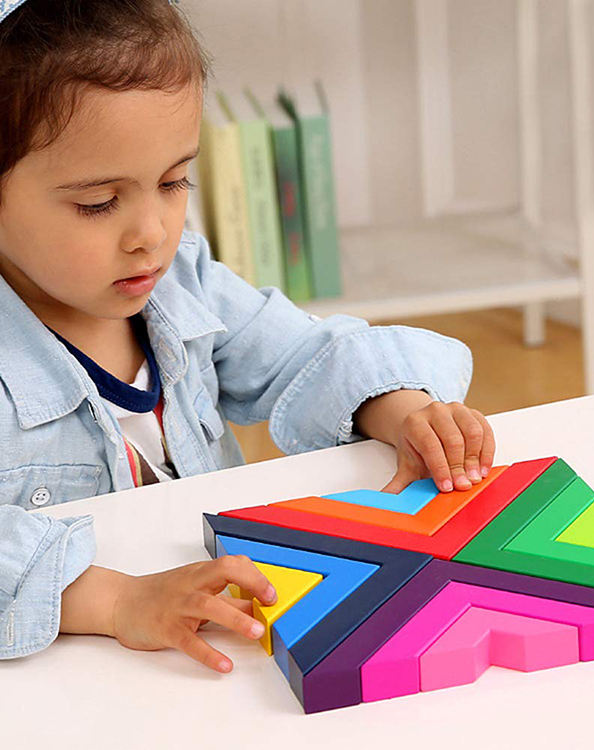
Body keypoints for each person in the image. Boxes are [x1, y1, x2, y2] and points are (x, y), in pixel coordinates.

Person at [0, 0, 496, 674]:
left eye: (174, 181)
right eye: (98, 203)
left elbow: (302, 355)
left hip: (224, 640)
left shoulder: (183, 279)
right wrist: (117, 602)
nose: (152, 233)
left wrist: (403, 410)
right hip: (73, 671)